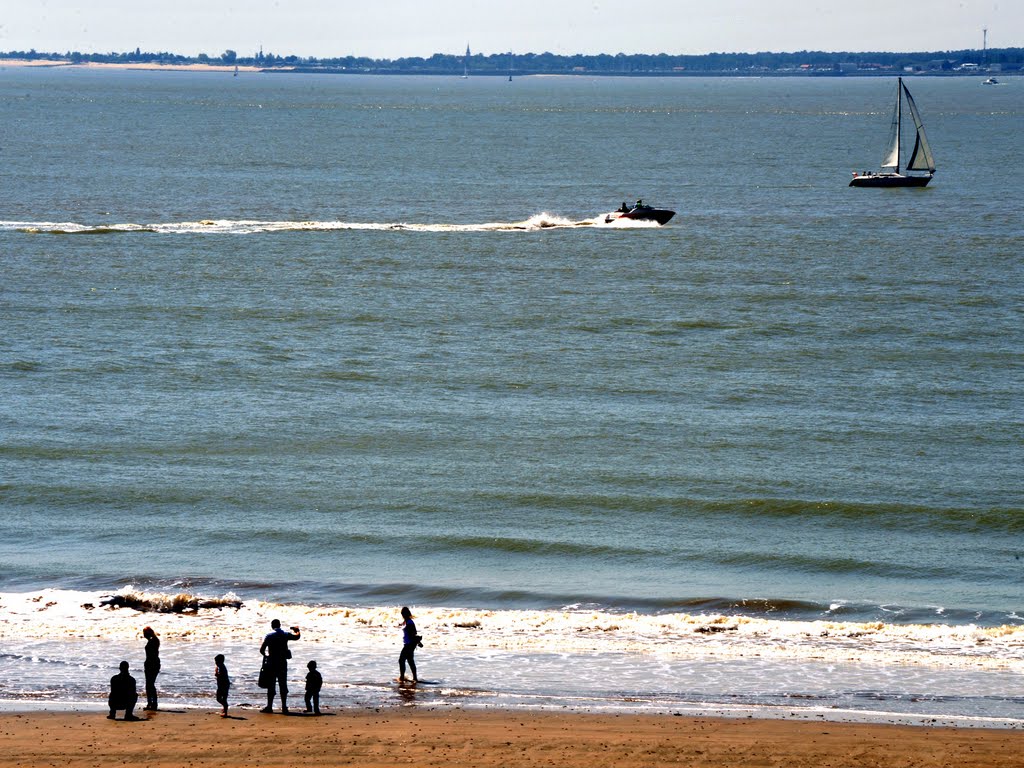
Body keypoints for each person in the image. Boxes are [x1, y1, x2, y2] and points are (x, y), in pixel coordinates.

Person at [259, 619, 300, 713]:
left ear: (272, 626)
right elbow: (297, 637)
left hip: (272, 662)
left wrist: (266, 656)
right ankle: (284, 707)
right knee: (283, 684)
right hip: (282, 662)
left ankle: (269, 707)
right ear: (280, 625)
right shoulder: (285, 634)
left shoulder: (269, 635)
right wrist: (297, 630)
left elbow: (262, 650)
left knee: (271, 685)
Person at [398, 606, 421, 683]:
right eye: (402, 614)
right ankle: (415, 678)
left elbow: (413, 633)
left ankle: (402, 677)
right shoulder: (406, 621)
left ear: (407, 614)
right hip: (407, 643)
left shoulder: (410, 622)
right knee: (410, 660)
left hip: (410, 644)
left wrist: (418, 642)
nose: (403, 615)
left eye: (404, 614)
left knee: (401, 660)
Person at [142, 626, 160, 710]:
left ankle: (153, 703)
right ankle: (151, 703)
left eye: (144, 633)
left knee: (150, 684)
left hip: (152, 663)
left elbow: (152, 654)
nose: (144, 635)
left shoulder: (154, 641)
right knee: (149, 684)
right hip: (152, 663)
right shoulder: (153, 640)